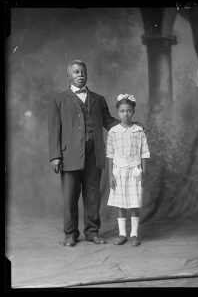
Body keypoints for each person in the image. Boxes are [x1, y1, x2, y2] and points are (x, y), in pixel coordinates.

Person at [48, 60, 119, 247]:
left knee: (93, 195)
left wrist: (128, 126)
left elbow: (108, 121)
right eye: (76, 72)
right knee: (70, 196)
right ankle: (70, 234)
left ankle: (92, 232)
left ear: (87, 74)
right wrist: (55, 156)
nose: (80, 75)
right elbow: (54, 130)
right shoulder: (59, 100)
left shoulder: (98, 99)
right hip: (69, 156)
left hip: (94, 155)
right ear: (69, 75)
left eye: (83, 72)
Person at [106, 94, 150, 246]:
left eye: (129, 111)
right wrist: (110, 174)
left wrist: (143, 172)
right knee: (121, 204)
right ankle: (122, 234)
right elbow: (110, 154)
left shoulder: (139, 130)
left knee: (134, 203)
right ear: (118, 112)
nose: (126, 114)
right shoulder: (113, 131)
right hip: (119, 171)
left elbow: (144, 153)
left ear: (133, 112)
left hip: (135, 171)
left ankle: (134, 234)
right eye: (122, 111)